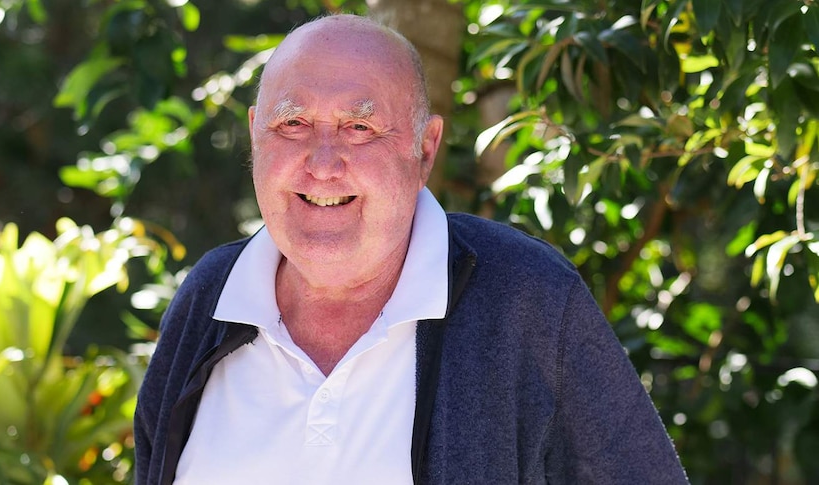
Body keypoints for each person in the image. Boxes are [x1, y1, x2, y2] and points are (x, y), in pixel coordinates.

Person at [134, 13, 688, 485]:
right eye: (294, 122)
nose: (323, 164)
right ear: (256, 135)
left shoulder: (527, 299)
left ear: (424, 151)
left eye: (359, 127)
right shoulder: (210, 297)